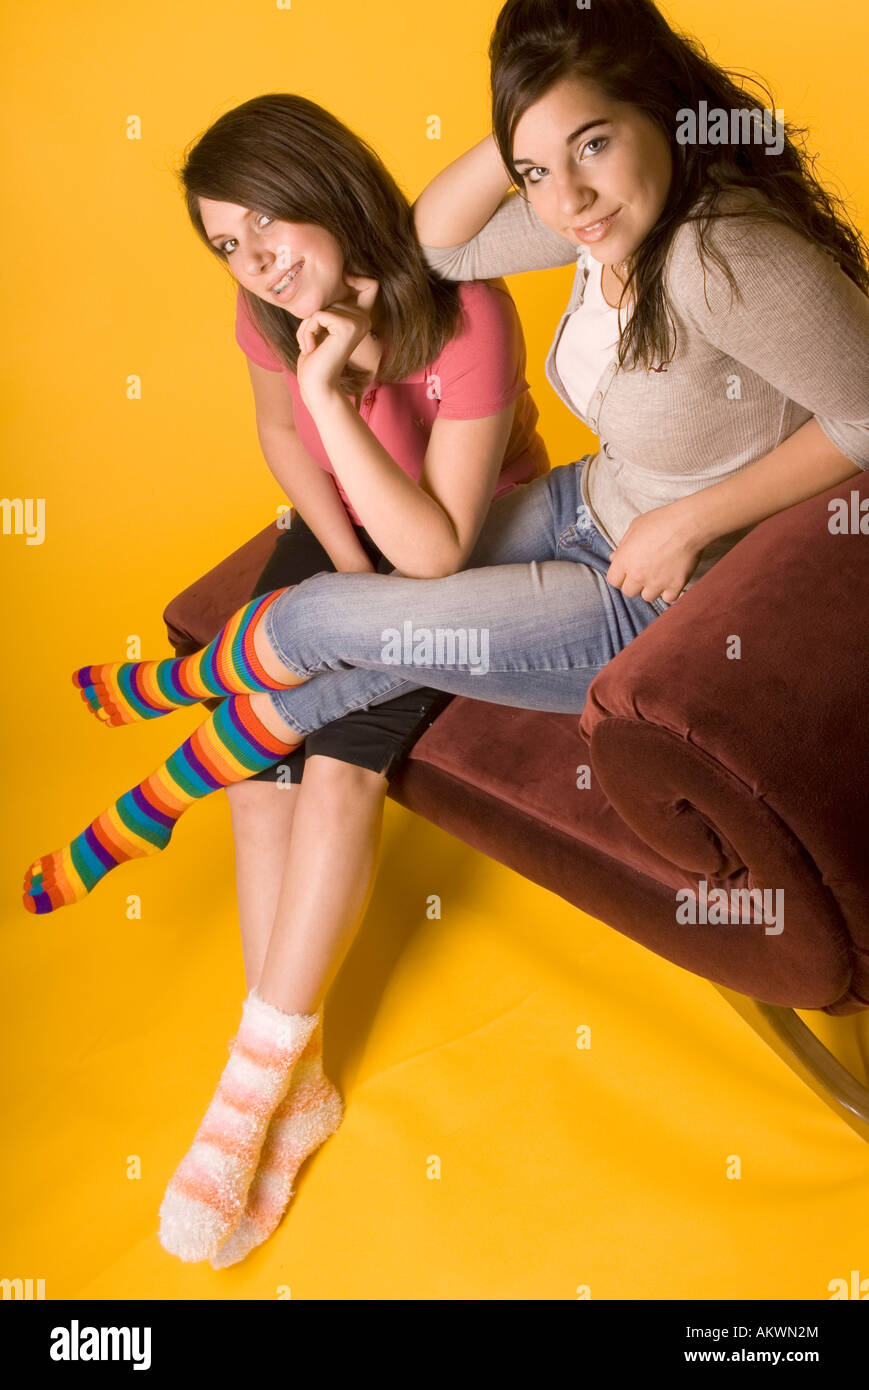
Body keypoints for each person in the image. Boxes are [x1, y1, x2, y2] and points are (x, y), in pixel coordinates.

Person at [24, 0, 869, 1263]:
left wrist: (695, 520)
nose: (568, 200)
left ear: (657, 107)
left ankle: (180, 719)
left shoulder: (723, 251)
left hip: (649, 592)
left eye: (595, 144)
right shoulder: (600, 218)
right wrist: (530, 119)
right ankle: (193, 758)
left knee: (321, 616)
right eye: (538, 169)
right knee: (349, 632)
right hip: (586, 505)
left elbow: (866, 414)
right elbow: (436, 237)